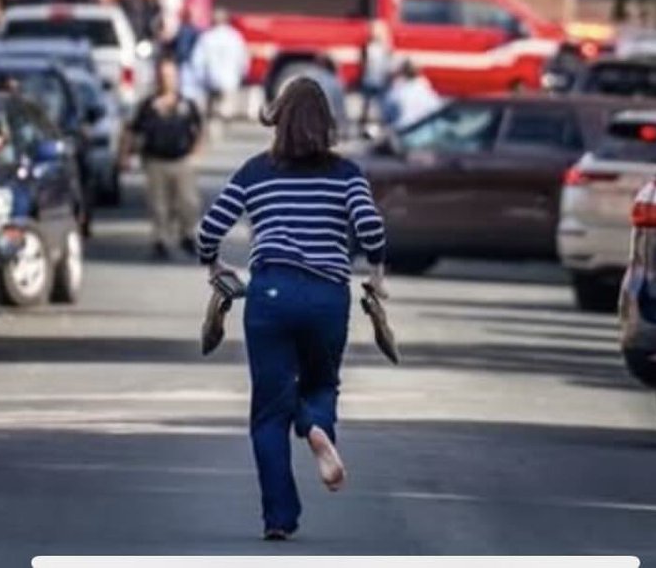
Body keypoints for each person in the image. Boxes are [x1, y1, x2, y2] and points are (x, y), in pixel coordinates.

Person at [197, 77, 388, 541]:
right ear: (326, 124)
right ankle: (318, 426)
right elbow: (370, 228)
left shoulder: (254, 171)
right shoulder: (346, 174)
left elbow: (209, 229)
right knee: (322, 381)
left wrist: (213, 264)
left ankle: (279, 518)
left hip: (270, 295)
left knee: (268, 413)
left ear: (277, 119)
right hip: (326, 295)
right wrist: (377, 271)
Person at [130, 56, 204, 259]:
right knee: (158, 204)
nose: (167, 80)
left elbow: (199, 128)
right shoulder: (148, 105)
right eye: (163, 76)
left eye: (170, 76)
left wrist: (197, 150)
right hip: (156, 160)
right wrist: (127, 154)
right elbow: (133, 130)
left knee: (188, 202)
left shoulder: (186, 104)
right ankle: (160, 240)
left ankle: (187, 235)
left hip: (182, 159)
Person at [192, 8, 250, 129]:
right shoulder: (235, 37)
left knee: (213, 111)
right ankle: (224, 132)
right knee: (226, 110)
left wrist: (200, 79)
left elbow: (198, 61)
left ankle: (214, 132)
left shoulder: (207, 37)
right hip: (230, 80)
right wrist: (242, 75)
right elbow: (243, 58)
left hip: (211, 80)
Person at [381, 60, 442, 130]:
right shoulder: (424, 86)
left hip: (408, 131)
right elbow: (436, 107)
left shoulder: (397, 91)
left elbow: (386, 112)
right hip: (424, 129)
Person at [357, 20, 392, 131]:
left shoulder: (386, 47)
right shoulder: (368, 45)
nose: (373, 33)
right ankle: (364, 126)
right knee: (367, 105)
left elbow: (388, 64)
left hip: (380, 79)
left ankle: (379, 126)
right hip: (370, 78)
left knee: (380, 105)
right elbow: (363, 62)